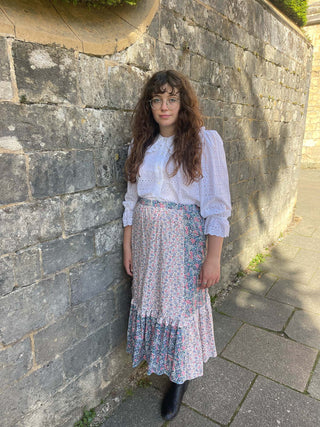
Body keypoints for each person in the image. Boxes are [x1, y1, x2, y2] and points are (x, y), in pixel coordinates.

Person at [122, 70, 231, 421]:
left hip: (182, 241)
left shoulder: (204, 141)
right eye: (157, 99)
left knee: (179, 307)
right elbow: (130, 201)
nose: (164, 106)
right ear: (149, 105)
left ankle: (180, 378)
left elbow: (217, 204)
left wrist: (213, 257)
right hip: (145, 238)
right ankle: (162, 360)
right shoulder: (141, 145)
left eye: (171, 98)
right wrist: (128, 247)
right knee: (154, 300)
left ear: (183, 102)